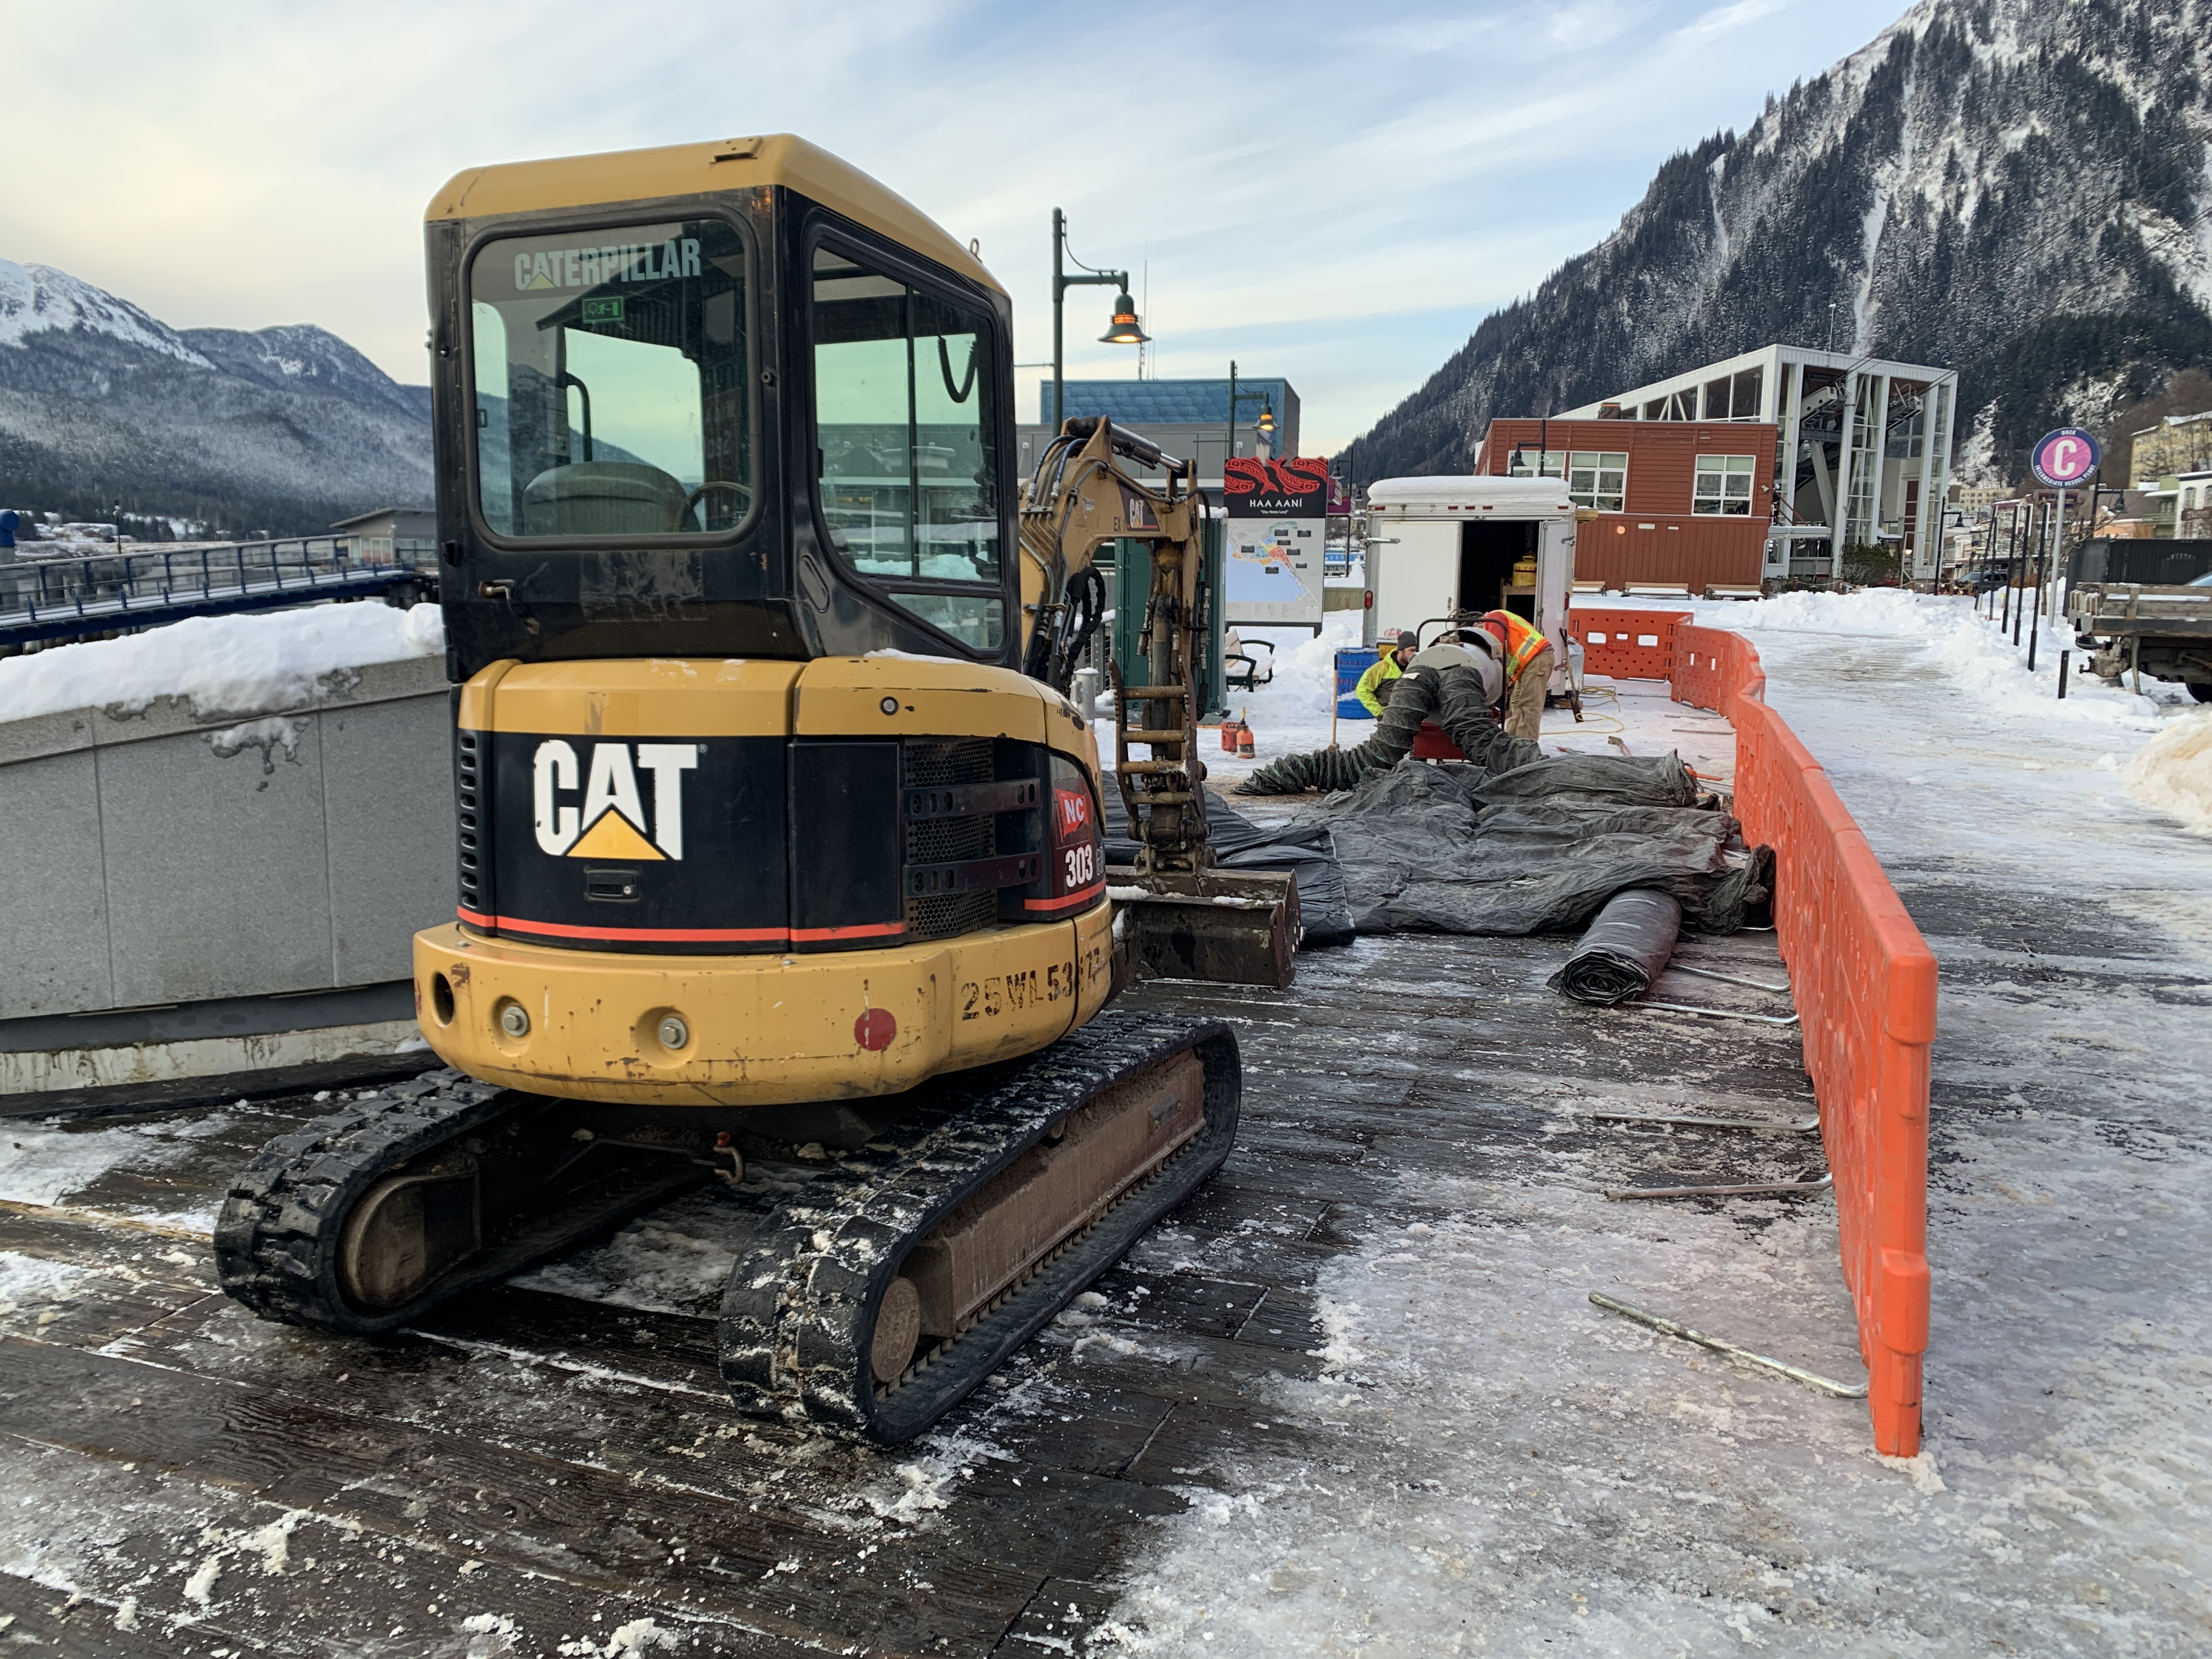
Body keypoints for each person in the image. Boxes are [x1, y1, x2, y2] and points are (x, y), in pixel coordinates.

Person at [1478, 610, 1554, 741]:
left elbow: (1499, 648)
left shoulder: (1493, 618)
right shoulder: (1497, 618)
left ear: (1478, 622)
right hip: (1529, 663)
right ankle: (1511, 743)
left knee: (1529, 706)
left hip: (1537, 659)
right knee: (1517, 704)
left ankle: (1526, 749)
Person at [1354, 630, 1419, 716]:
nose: (1415, 654)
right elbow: (1362, 690)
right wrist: (1380, 712)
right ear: (1401, 651)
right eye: (1412, 651)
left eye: (1416, 651)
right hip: (1389, 718)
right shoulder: (1381, 668)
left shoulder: (1417, 667)